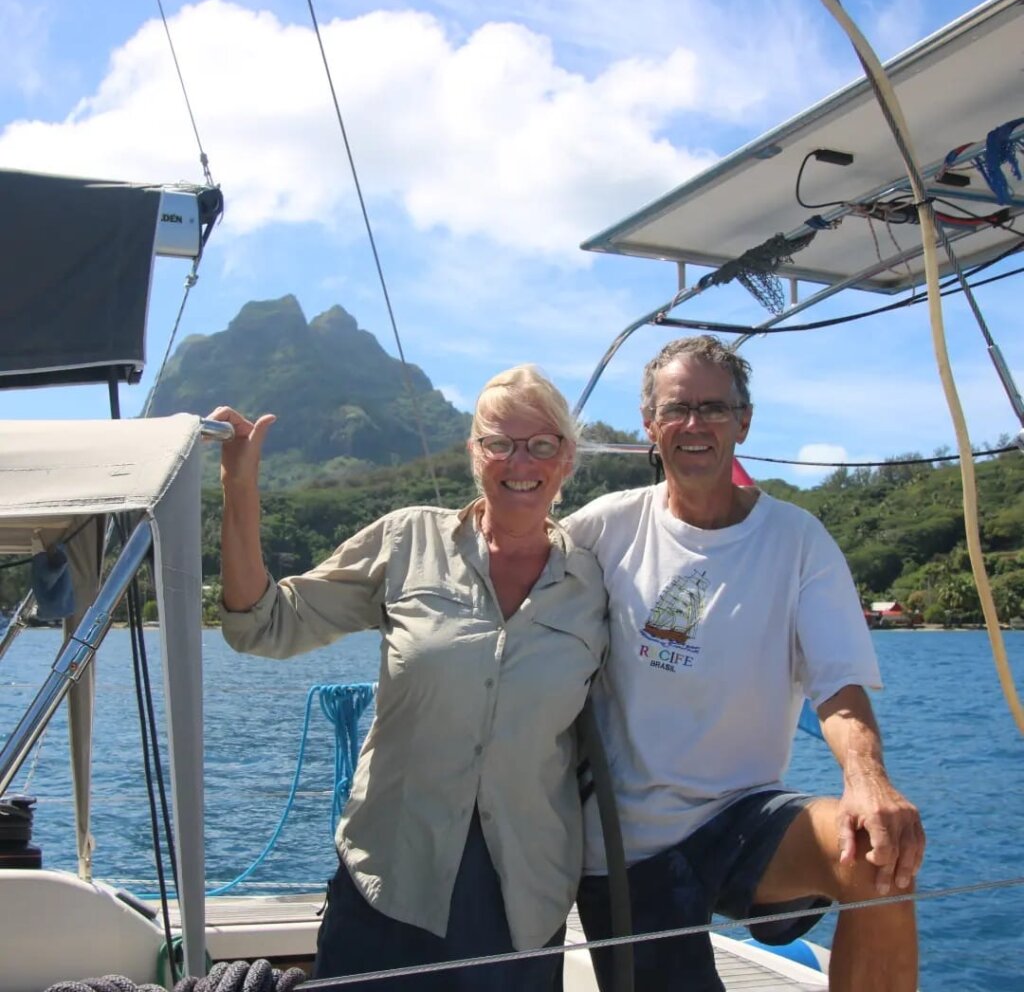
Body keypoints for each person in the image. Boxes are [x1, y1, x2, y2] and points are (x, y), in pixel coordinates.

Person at [211, 364, 607, 990]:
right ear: (474, 454)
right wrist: (240, 484)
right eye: (499, 442)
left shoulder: (596, 584)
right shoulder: (407, 541)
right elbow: (264, 623)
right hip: (388, 884)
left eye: (541, 444)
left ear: (566, 459)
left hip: (522, 901)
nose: (519, 460)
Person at [563, 336, 925, 992]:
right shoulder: (603, 530)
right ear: (650, 425)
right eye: (677, 409)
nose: (695, 425)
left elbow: (837, 685)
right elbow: (512, 569)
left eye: (714, 408)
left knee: (878, 857)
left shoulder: (796, 540)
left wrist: (867, 781)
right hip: (624, 845)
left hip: (742, 815)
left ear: (744, 421)